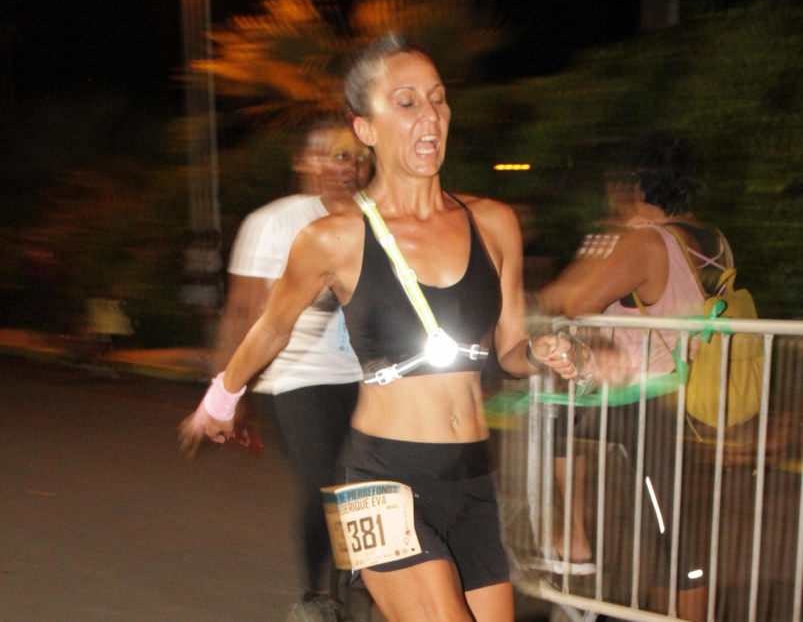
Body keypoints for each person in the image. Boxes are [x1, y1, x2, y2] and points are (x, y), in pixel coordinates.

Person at [180, 34, 578, 622]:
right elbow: (270, 328)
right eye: (407, 101)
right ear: (365, 127)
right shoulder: (333, 237)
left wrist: (541, 350)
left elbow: (509, 349)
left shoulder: (494, 224)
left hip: (470, 476)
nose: (431, 116)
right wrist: (220, 399)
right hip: (376, 480)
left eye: (439, 99)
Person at [539, 132, 734, 621]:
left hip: (640, 395)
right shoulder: (713, 241)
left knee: (674, 533)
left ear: (636, 186)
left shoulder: (647, 242)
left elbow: (569, 300)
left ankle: (574, 546)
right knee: (666, 523)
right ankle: (576, 546)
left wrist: (608, 240)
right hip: (683, 390)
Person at [207, 117, 373, 621]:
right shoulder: (272, 222)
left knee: (369, 481)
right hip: (295, 377)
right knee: (328, 479)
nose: (350, 167)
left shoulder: (379, 217)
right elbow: (242, 312)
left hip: (367, 374)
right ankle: (314, 594)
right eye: (336, 155)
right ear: (304, 162)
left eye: (358, 157)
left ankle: (361, 583)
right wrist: (225, 393)